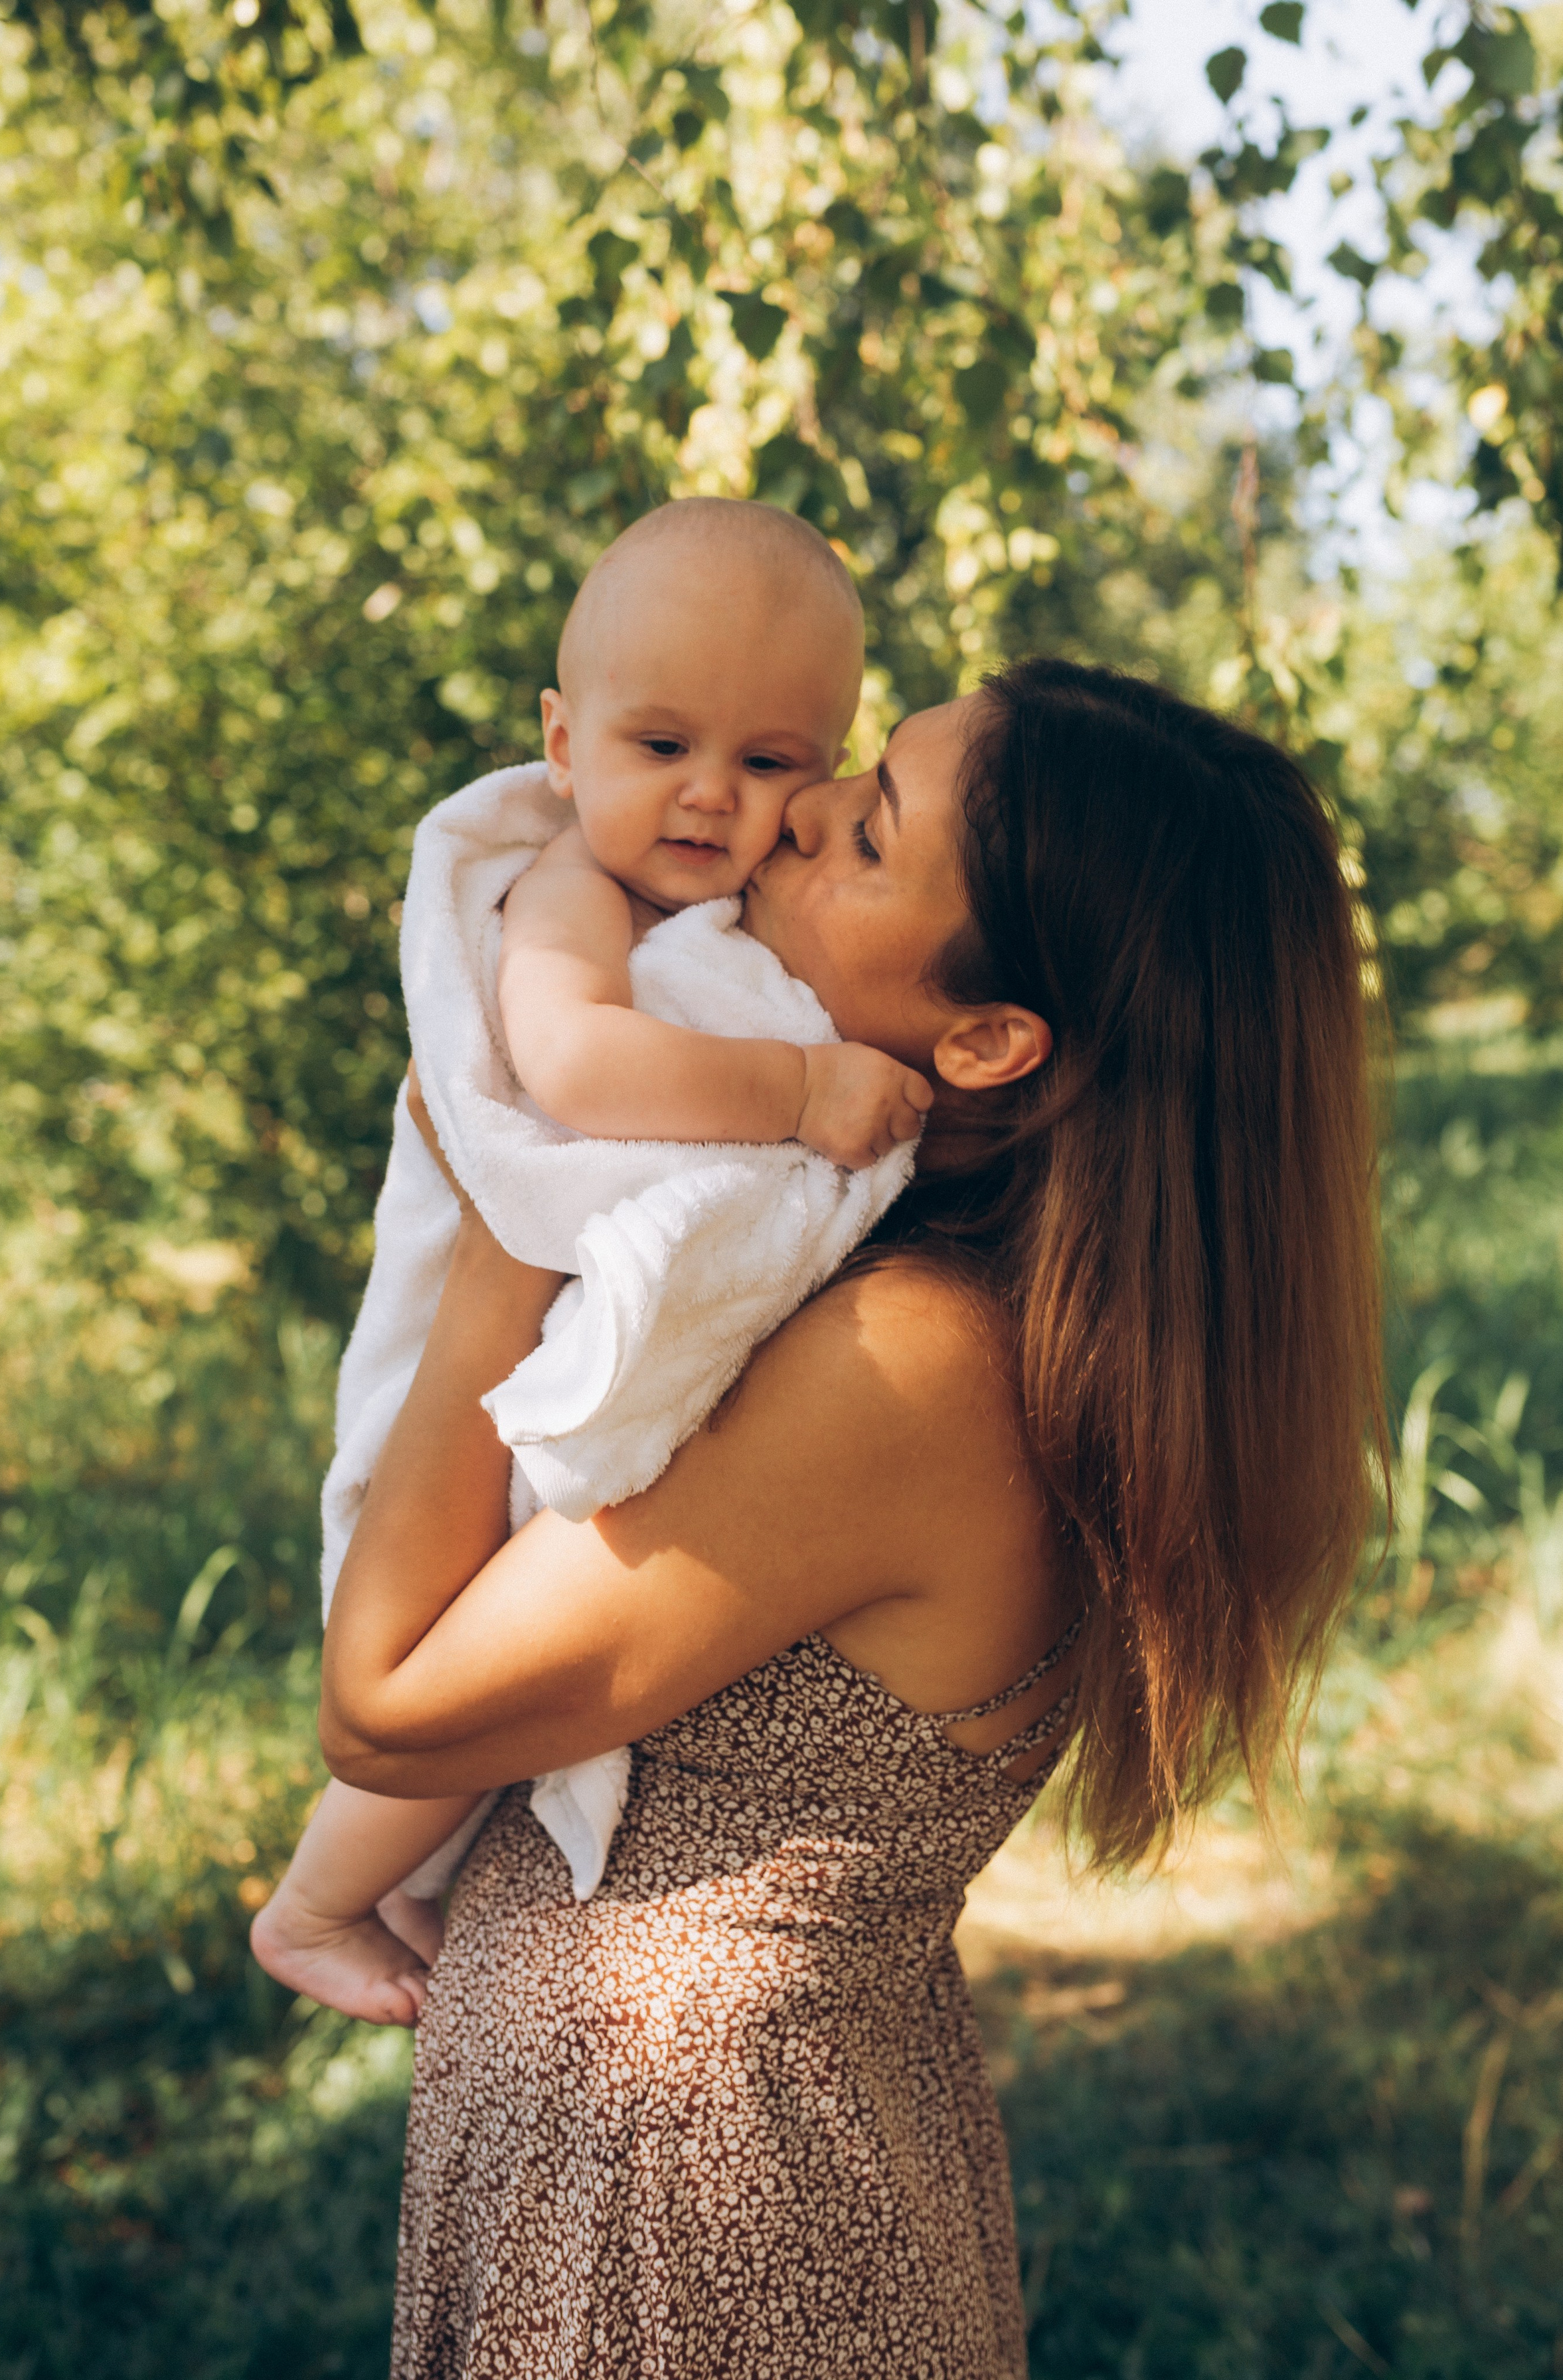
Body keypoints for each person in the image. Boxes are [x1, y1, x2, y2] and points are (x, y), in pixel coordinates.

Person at [319, 658, 1388, 2378]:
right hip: (738, 2141)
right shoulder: (923, 1288)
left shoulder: (909, 1368)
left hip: (677, 2208)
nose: (798, 813)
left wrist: (502, 1214)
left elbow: (386, 1709)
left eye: (871, 833)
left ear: (986, 1039)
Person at [253, 500, 933, 2026]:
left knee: (524, 1638)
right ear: (563, 743)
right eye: (660, 746)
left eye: (769, 763)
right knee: (465, 1653)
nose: (710, 798)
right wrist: (800, 1097)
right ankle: (310, 1898)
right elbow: (569, 1068)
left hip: (583, 1340)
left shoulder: (728, 922)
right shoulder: (572, 893)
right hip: (480, 1335)